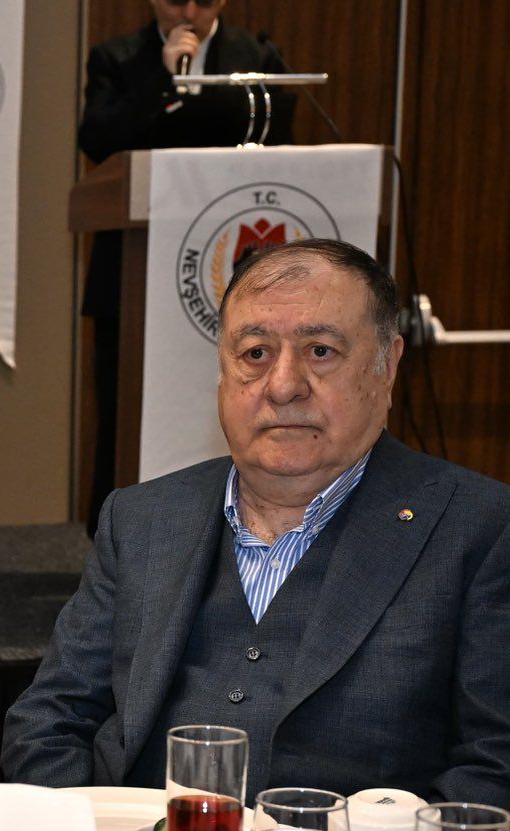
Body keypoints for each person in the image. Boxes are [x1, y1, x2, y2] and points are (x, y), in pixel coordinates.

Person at [2, 239, 510, 831]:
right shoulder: (141, 519)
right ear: (223, 372)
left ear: (387, 365)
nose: (283, 385)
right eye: (255, 353)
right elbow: (49, 719)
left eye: (321, 351)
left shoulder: (485, 531)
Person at [80, 1, 294, 526]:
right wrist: (160, 78)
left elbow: (278, 140)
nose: (191, 11)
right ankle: (114, 538)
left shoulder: (257, 56)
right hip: (133, 275)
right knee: (123, 408)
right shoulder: (118, 59)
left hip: (233, 268)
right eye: (178, 0)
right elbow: (98, 140)